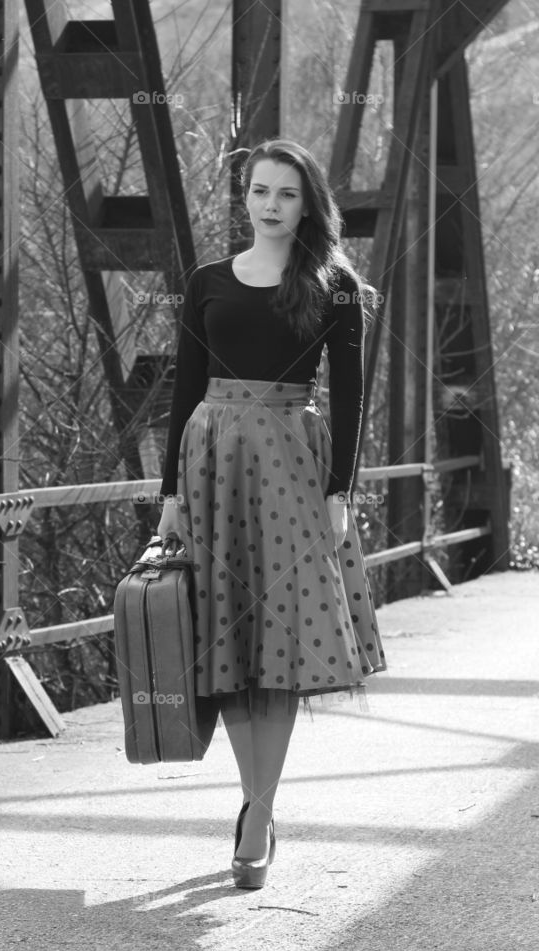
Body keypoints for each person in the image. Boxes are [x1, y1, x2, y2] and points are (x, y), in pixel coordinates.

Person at [157, 137, 387, 889]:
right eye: (259, 190)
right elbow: (185, 389)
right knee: (227, 642)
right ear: (245, 197)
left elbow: (350, 398)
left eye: (287, 193)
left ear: (308, 204)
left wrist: (340, 493)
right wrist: (168, 496)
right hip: (212, 465)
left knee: (279, 645)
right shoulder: (206, 282)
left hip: (292, 466)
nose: (270, 204)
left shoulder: (334, 286)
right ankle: (256, 805)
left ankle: (257, 816)